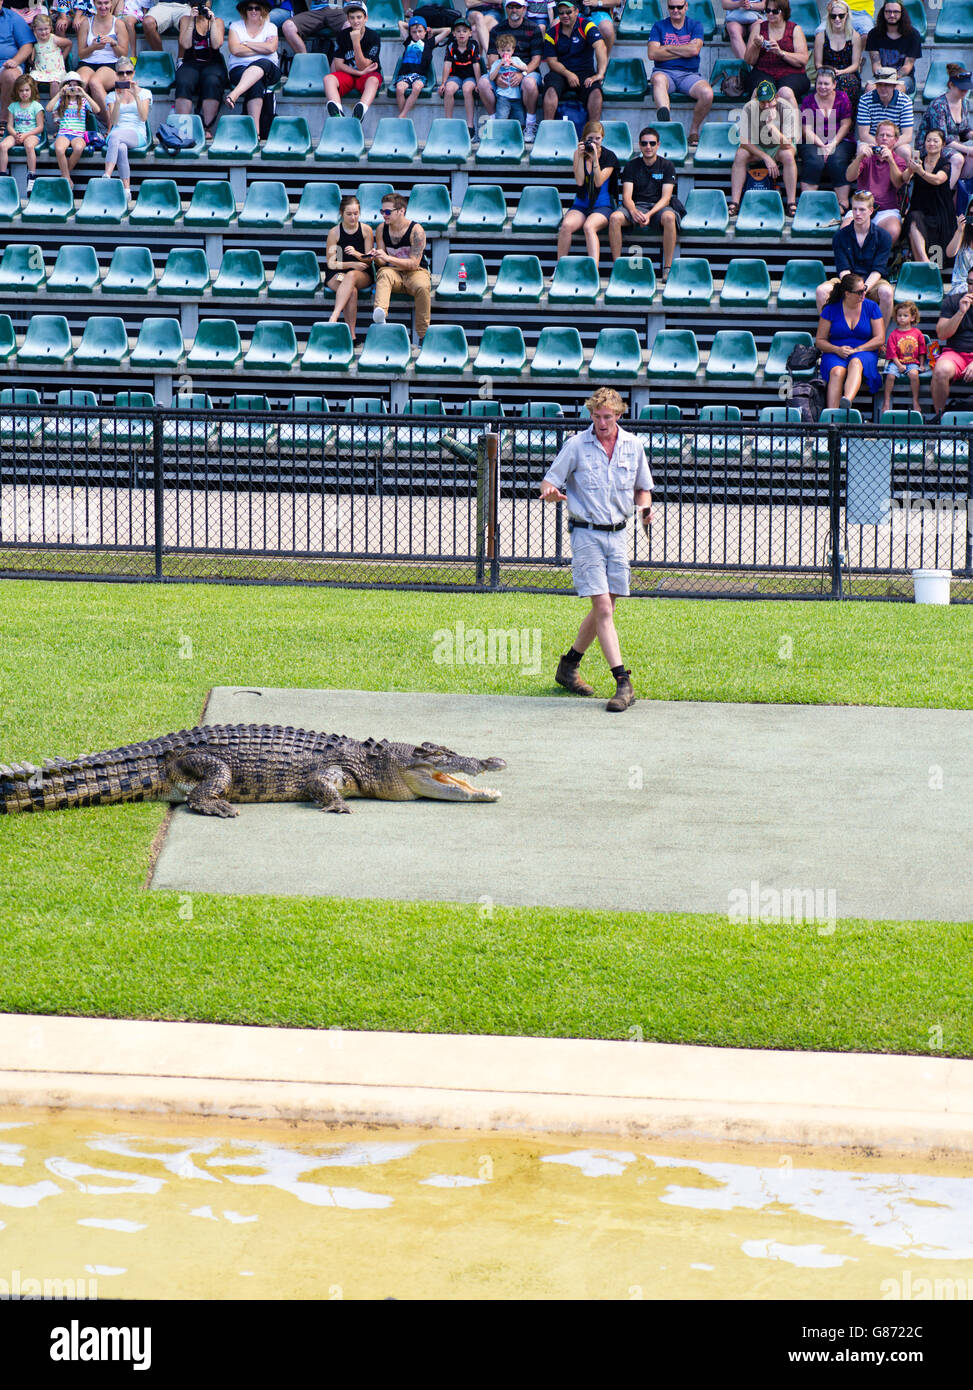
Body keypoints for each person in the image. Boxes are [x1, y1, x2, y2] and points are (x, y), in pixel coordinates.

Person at [540, 387, 653, 714]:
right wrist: (550, 493)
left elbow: (642, 489)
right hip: (586, 534)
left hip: (618, 534)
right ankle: (623, 682)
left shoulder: (634, 447)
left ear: (619, 415)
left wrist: (645, 509)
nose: (602, 422)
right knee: (603, 607)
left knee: (607, 607)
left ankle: (568, 666)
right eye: (596, 416)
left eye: (608, 416)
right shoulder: (576, 445)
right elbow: (549, 482)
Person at [608, 124, 684, 277]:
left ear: (658, 145)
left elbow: (666, 198)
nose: (648, 147)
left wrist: (649, 214)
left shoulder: (667, 166)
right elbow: (627, 197)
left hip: (658, 208)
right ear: (639, 145)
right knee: (615, 218)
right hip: (636, 206)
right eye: (644, 143)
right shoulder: (631, 165)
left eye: (652, 143)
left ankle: (667, 268)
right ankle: (617, 267)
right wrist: (634, 211)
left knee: (669, 217)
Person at [817, 190, 894, 332]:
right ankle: (830, 336)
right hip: (847, 281)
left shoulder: (883, 236)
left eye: (862, 210)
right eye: (854, 209)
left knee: (887, 292)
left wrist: (863, 289)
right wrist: (854, 289)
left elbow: (878, 269)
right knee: (822, 291)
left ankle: (878, 339)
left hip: (873, 281)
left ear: (871, 211)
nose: (857, 213)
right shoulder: (840, 236)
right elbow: (843, 269)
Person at [728, 78, 800, 217]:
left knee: (788, 156)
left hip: (779, 146)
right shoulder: (750, 107)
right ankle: (735, 202)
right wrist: (765, 157)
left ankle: (791, 203)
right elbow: (744, 141)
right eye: (762, 101)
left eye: (769, 101)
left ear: (777, 97)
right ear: (757, 99)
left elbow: (787, 143)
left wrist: (771, 126)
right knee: (740, 155)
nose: (766, 105)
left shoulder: (785, 108)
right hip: (758, 146)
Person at [647, 0, 713, 148]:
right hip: (664, 73)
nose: (675, 10)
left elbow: (694, 51)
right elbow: (652, 54)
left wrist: (668, 48)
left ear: (686, 6)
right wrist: (684, 50)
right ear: (667, 7)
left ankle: (694, 130)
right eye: (672, 7)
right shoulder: (659, 26)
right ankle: (669, 125)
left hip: (689, 75)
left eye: (679, 7)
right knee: (657, 79)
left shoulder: (695, 25)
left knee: (707, 93)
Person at [815, 270, 885, 410]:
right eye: (859, 292)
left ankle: (846, 400)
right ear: (847, 293)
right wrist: (837, 350)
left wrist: (859, 349)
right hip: (836, 351)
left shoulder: (871, 307)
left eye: (864, 290)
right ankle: (832, 418)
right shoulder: (830, 309)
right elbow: (820, 341)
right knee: (837, 372)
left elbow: (880, 338)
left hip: (864, 349)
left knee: (856, 362)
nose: (864, 294)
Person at [369, 191, 432, 343]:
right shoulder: (381, 229)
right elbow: (383, 263)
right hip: (393, 272)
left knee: (423, 286)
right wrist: (376, 257)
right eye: (382, 211)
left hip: (416, 271)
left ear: (401, 211)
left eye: (388, 211)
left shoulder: (416, 230)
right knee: (383, 273)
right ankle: (380, 316)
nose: (384, 215)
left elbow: (413, 263)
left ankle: (423, 335)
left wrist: (388, 257)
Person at [477, 0, 543, 142]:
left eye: (517, 7)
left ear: (524, 9)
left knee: (530, 83)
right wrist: (497, 76)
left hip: (526, 70)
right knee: (482, 83)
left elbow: (536, 59)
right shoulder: (497, 30)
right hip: (502, 71)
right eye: (510, 7)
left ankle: (530, 124)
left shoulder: (534, 28)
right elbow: (492, 56)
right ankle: (494, 123)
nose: (514, 10)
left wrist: (522, 74)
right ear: (505, 9)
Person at [557, 118, 618, 261]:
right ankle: (559, 266)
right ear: (584, 139)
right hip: (581, 204)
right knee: (566, 225)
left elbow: (598, 182)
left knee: (589, 227)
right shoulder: (578, 154)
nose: (594, 142)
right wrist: (579, 157)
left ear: (602, 138)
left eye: (598, 138)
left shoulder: (609, 156)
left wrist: (595, 159)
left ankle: (593, 270)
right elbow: (579, 181)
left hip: (602, 206)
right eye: (591, 138)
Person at [541, 0, 608, 125]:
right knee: (550, 89)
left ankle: (593, 132)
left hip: (584, 72)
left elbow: (601, 47)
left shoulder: (587, 26)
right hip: (560, 72)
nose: (565, 15)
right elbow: (551, 61)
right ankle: (547, 129)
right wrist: (568, 74)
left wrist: (600, 73)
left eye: (568, 12)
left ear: (576, 12)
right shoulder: (551, 32)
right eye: (561, 13)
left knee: (596, 92)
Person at [842, 117, 908, 242]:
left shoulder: (898, 160)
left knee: (893, 232)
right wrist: (859, 157)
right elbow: (849, 177)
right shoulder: (867, 157)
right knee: (845, 230)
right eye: (881, 135)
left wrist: (890, 161)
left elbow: (898, 183)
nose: (884, 138)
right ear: (876, 138)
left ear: (895, 140)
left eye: (888, 135)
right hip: (862, 207)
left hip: (886, 211)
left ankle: (876, 260)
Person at [799, 66, 854, 210]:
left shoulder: (842, 98)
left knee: (837, 160)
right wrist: (822, 146)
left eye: (826, 84)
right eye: (819, 83)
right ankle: (808, 203)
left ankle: (843, 202)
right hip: (813, 139)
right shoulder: (808, 101)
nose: (822, 87)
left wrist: (832, 144)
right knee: (814, 161)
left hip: (840, 139)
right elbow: (806, 129)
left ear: (834, 85)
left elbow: (846, 124)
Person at [325, 194, 374, 346]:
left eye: (356, 213)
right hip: (339, 272)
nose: (353, 217)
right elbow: (332, 263)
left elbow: (369, 259)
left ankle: (334, 316)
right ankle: (352, 336)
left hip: (362, 273)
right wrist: (352, 263)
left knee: (351, 276)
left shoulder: (366, 230)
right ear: (341, 213)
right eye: (349, 214)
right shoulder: (335, 233)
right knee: (351, 291)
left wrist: (357, 255)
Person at [173, 2, 226, 140]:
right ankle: (183, 128)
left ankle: (206, 127)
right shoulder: (185, 19)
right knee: (183, 80)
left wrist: (212, 22)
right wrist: (192, 21)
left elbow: (216, 44)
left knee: (212, 81)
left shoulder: (218, 21)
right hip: (191, 62)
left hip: (213, 62)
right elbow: (185, 44)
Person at [916, 65, 973, 194]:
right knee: (958, 159)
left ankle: (959, 197)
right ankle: (944, 195)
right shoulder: (938, 106)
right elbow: (942, 138)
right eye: (961, 88)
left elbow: (964, 130)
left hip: (953, 145)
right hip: (932, 146)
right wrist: (969, 149)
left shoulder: (964, 103)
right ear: (951, 85)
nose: (964, 92)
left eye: (966, 89)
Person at [742, 0, 809, 108]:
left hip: (791, 72)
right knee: (760, 91)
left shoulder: (795, 29)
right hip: (763, 70)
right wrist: (756, 46)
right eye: (768, 11)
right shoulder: (758, 28)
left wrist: (781, 53)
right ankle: (754, 124)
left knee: (785, 92)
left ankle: (794, 124)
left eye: (775, 11)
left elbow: (803, 60)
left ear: (784, 12)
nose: (770, 14)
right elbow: (749, 60)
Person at [902, 128, 954, 266]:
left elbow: (937, 180)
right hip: (920, 208)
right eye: (928, 140)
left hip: (940, 211)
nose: (931, 143)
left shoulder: (945, 163)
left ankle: (924, 268)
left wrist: (921, 172)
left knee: (915, 222)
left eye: (935, 141)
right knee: (913, 219)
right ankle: (925, 264)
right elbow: (904, 179)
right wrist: (911, 169)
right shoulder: (919, 161)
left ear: (942, 144)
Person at [102, 56, 149, 205]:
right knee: (120, 147)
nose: (125, 76)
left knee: (115, 136)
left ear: (133, 73)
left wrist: (135, 95)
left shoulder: (145, 93)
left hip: (137, 132)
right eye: (121, 73)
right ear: (117, 75)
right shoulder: (111, 96)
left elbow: (143, 117)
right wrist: (117, 101)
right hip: (118, 131)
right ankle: (127, 190)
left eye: (128, 73)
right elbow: (114, 121)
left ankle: (107, 176)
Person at [323, 2, 382, 121]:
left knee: (374, 81)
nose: (356, 21)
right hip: (348, 75)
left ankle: (360, 111)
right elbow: (339, 65)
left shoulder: (373, 37)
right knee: (328, 79)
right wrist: (358, 73)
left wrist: (356, 42)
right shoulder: (343, 35)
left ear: (366, 18)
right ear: (348, 19)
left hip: (367, 75)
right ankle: (338, 113)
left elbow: (363, 66)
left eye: (359, 17)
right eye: (352, 18)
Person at [928, 270, 973, 423]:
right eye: (970, 282)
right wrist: (960, 312)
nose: (972, 287)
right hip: (956, 353)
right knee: (940, 370)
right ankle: (940, 420)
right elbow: (941, 334)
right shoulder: (953, 301)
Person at [225, 0, 279, 119]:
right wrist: (261, 48)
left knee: (263, 62)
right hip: (239, 69)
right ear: (245, 10)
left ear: (262, 10)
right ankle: (256, 132)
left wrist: (246, 43)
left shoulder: (271, 27)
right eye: (250, 8)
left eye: (257, 8)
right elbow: (235, 50)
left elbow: (271, 48)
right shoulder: (235, 26)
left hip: (269, 70)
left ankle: (234, 94)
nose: (253, 11)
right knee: (256, 82)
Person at [76, 0, 129, 120]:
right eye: (99, 3)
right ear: (94, 4)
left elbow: (124, 54)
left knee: (95, 82)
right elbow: (81, 54)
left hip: (111, 63)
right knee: (80, 83)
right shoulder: (86, 22)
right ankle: (77, 124)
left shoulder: (118, 23)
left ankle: (112, 123)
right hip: (88, 62)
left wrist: (113, 44)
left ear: (111, 4)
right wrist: (94, 47)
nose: (103, 7)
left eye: (106, 3)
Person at [393, 14, 450, 117]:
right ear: (410, 32)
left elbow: (447, 30)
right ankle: (403, 116)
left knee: (417, 87)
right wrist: (412, 24)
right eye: (414, 32)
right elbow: (400, 23)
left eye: (420, 31)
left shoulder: (429, 43)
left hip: (420, 76)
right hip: (405, 75)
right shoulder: (408, 40)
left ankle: (402, 115)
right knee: (399, 89)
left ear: (425, 31)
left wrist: (432, 31)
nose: (417, 34)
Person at [46, 69, 96, 186]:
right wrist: (60, 93)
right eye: (70, 85)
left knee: (78, 148)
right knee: (59, 149)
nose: (72, 88)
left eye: (75, 85)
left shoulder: (83, 101)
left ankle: (64, 175)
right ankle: (67, 178)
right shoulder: (61, 100)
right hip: (64, 132)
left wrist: (84, 94)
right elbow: (48, 108)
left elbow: (97, 109)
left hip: (78, 134)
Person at [863, 0, 919, 96]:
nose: (892, 15)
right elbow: (876, 64)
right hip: (880, 76)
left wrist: (891, 79)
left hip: (903, 78)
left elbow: (907, 67)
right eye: (888, 11)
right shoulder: (874, 34)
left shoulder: (912, 35)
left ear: (902, 13)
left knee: (897, 90)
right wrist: (884, 80)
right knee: (869, 88)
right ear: (883, 13)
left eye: (896, 12)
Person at [812, 2, 862, 106]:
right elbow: (818, 64)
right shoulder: (821, 36)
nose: (837, 19)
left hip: (848, 73)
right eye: (833, 16)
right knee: (827, 84)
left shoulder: (854, 36)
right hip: (825, 71)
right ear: (829, 17)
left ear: (847, 15)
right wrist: (829, 72)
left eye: (841, 15)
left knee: (846, 83)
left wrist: (841, 72)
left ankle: (846, 117)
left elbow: (855, 65)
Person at [0, 71, 42, 195]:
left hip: (32, 134)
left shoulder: (36, 106)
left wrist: (25, 135)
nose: (24, 93)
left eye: (27, 90)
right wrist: (15, 134)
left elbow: (40, 127)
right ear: (17, 92)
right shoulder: (13, 106)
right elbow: (9, 125)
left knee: (29, 146)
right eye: (21, 90)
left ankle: (32, 176)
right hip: (16, 133)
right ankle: (2, 175)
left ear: (32, 91)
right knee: (2, 146)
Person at [439, 17, 481, 137]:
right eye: (458, 31)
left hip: (470, 77)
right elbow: (447, 64)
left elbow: (476, 65)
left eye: (464, 31)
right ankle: (448, 122)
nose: (461, 34)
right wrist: (443, 83)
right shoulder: (451, 45)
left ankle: (470, 125)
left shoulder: (473, 45)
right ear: (453, 34)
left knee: (467, 89)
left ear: (470, 33)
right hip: (455, 76)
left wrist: (478, 83)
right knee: (449, 89)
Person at [881, 300, 926, 413]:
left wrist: (921, 364)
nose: (902, 318)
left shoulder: (917, 333)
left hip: (912, 362)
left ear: (912, 317)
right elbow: (891, 353)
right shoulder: (894, 334)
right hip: (896, 362)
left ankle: (915, 400)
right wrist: (899, 365)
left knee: (914, 375)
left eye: (905, 315)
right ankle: (886, 401)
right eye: (899, 315)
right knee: (890, 376)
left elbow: (922, 351)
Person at [855, 64, 913, 149]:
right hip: (872, 141)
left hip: (895, 142)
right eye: (879, 84)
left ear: (894, 86)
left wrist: (889, 146)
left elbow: (907, 136)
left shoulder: (905, 101)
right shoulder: (865, 99)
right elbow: (863, 135)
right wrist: (880, 147)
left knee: (905, 150)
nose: (883, 88)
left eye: (887, 85)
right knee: (862, 149)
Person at [280, 0, 347, 61]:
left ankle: (345, 63)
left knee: (351, 27)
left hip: (337, 9)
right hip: (316, 11)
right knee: (288, 26)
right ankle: (305, 63)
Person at [487, 30, 528, 122]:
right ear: (498, 51)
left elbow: (526, 69)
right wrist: (499, 65)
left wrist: (514, 65)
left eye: (508, 50)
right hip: (503, 97)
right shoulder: (497, 63)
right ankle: (499, 133)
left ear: (513, 50)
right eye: (502, 50)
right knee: (501, 118)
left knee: (520, 119)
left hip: (516, 97)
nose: (506, 53)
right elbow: (491, 77)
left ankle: (519, 133)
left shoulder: (516, 60)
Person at [29, 11, 72, 99]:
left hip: (56, 70)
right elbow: (31, 58)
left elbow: (69, 43)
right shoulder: (34, 40)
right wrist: (32, 63)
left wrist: (63, 58)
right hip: (40, 70)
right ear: (34, 29)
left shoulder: (54, 39)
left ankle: (54, 107)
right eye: (40, 29)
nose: (44, 32)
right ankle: (36, 107)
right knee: (32, 80)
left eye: (46, 29)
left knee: (54, 82)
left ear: (50, 28)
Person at [723, 0, 767, 64]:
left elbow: (765, 5)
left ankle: (749, 65)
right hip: (735, 16)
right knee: (733, 29)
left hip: (757, 15)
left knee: (759, 27)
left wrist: (751, 5)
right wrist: (739, 4)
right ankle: (746, 67)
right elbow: (725, 5)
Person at [946, 197, 973, 292]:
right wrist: (959, 231)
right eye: (971, 214)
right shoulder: (963, 233)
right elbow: (950, 253)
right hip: (961, 285)